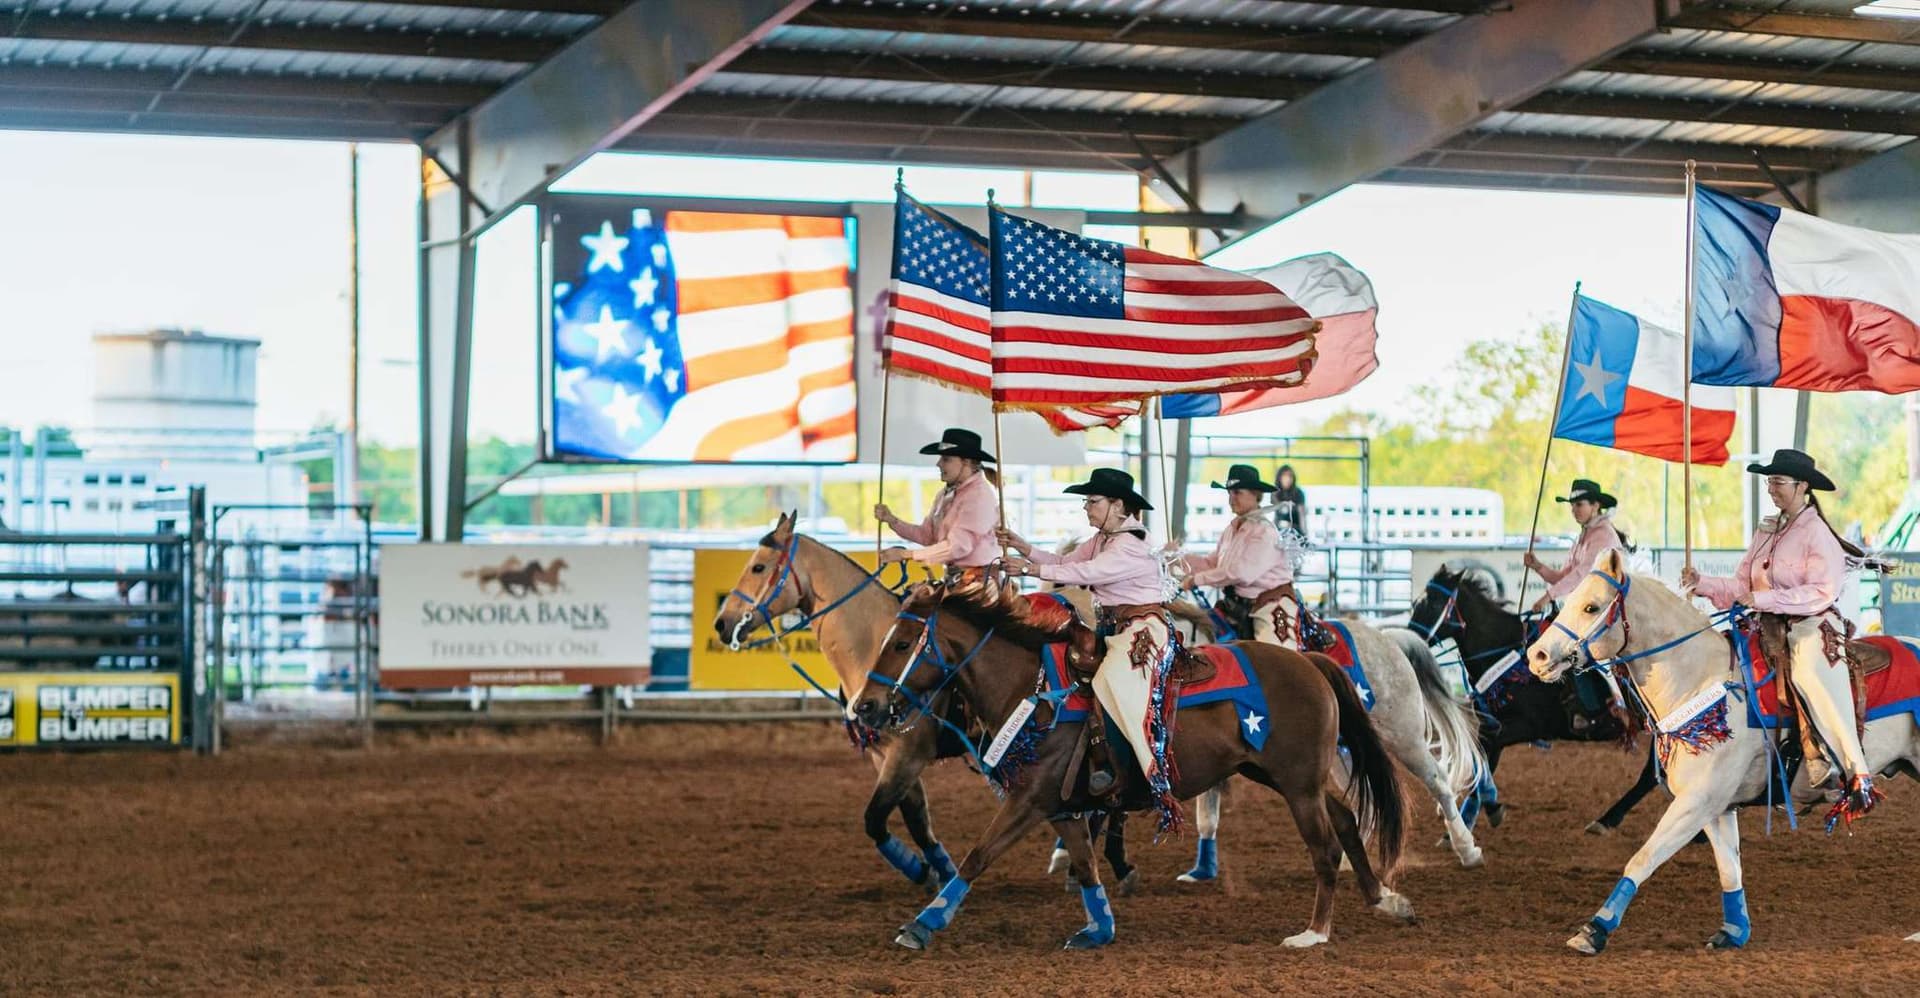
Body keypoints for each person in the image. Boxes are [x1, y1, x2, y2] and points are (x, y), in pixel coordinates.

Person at [1681, 449, 1878, 817]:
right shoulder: (1767, 528)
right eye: (1769, 481)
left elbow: (1821, 591)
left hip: (1811, 623)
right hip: (1766, 623)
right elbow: (1741, 584)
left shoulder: (1817, 532)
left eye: (1778, 481)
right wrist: (1702, 582)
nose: (1771, 488)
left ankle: (1850, 768)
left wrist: (1764, 598)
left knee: (1809, 673)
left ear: (1802, 486)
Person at [999, 469, 1177, 821]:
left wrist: (1029, 571)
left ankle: (1134, 767)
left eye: (1093, 501)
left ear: (1117, 505)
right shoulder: (1103, 539)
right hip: (1114, 626)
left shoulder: (1130, 543)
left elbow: (1089, 574)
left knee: (1110, 678)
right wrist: (1022, 547)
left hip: (1143, 627)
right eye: (1087, 501)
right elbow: (1067, 563)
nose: (1086, 508)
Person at [1175, 464, 1295, 645]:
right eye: (1229, 493)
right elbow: (1212, 564)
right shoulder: (1231, 530)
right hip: (1236, 606)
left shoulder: (1264, 532)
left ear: (1255, 494)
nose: (1231, 499)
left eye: (1237, 492)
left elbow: (1241, 573)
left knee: (1273, 658)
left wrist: (1195, 580)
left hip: (1268, 605)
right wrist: (1176, 558)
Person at [874, 428, 1002, 571]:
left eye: (946, 459)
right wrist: (892, 520)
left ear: (966, 462)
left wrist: (906, 554)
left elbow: (958, 546)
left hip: (979, 584)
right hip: (957, 579)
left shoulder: (979, 497)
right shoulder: (945, 494)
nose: (939, 464)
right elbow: (927, 536)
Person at [1524, 479, 1629, 614]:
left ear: (1595, 506)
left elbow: (1583, 574)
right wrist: (1537, 566)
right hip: (1590, 608)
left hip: (1606, 612)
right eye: (1572, 505)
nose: (1573, 510)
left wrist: (1548, 596)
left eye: (1579, 505)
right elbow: (1564, 576)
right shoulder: (1583, 535)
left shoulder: (1603, 535)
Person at [1271, 464, 1307, 537]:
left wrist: (1305, 535)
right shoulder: (1275, 493)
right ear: (1279, 478)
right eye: (1284, 476)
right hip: (1279, 532)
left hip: (1296, 533)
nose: (1288, 479)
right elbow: (1275, 516)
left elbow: (1302, 516)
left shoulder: (1298, 493)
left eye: (1290, 476)